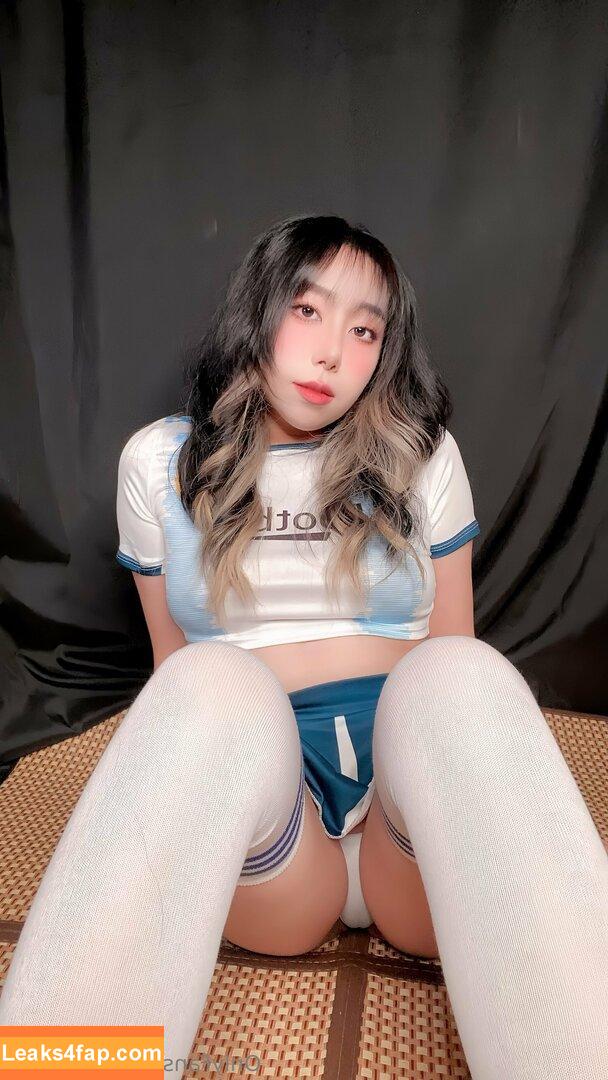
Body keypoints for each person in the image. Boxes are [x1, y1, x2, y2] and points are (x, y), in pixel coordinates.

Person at [1, 214, 606, 1080]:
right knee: (204, 681)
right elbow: (172, 670)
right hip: (271, 834)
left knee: (463, 673)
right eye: (308, 310)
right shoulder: (161, 463)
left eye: (365, 331)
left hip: (410, 827)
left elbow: (454, 646)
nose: (332, 354)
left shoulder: (421, 455)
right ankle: (67, 1068)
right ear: (256, 310)